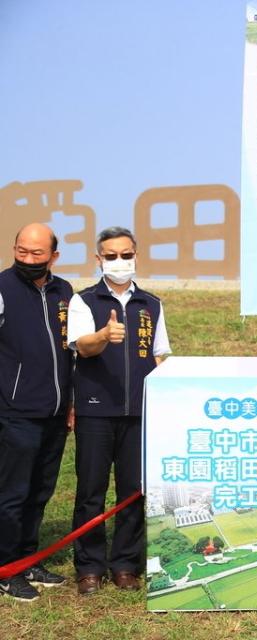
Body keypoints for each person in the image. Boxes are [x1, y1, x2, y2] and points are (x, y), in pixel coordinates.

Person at [68, 227, 172, 595]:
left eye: (125, 254)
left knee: (132, 490)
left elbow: (159, 356)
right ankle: (90, 566)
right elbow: (82, 347)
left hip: (139, 413)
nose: (119, 262)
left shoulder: (151, 304)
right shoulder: (84, 301)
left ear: (136, 255)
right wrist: (103, 335)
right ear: (98, 259)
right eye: (110, 256)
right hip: (96, 410)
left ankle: (126, 564)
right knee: (91, 490)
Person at [0, 223, 74, 602]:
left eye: (37, 254)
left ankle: (29, 559)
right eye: (21, 252)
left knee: (41, 491)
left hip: (56, 411)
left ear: (54, 257)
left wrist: (71, 403)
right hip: (15, 411)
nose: (28, 260)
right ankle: (6, 568)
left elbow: (71, 351)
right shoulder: (2, 288)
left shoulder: (64, 292)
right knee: (12, 493)